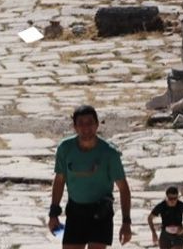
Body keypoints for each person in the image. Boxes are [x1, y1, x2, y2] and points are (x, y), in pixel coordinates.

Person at [48, 105, 132, 248]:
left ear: (97, 124)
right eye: (81, 124)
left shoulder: (109, 153)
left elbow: (123, 188)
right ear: (74, 126)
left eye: (90, 123)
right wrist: (53, 213)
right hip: (75, 211)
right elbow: (60, 180)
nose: (86, 128)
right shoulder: (65, 149)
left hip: (101, 213)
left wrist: (126, 223)